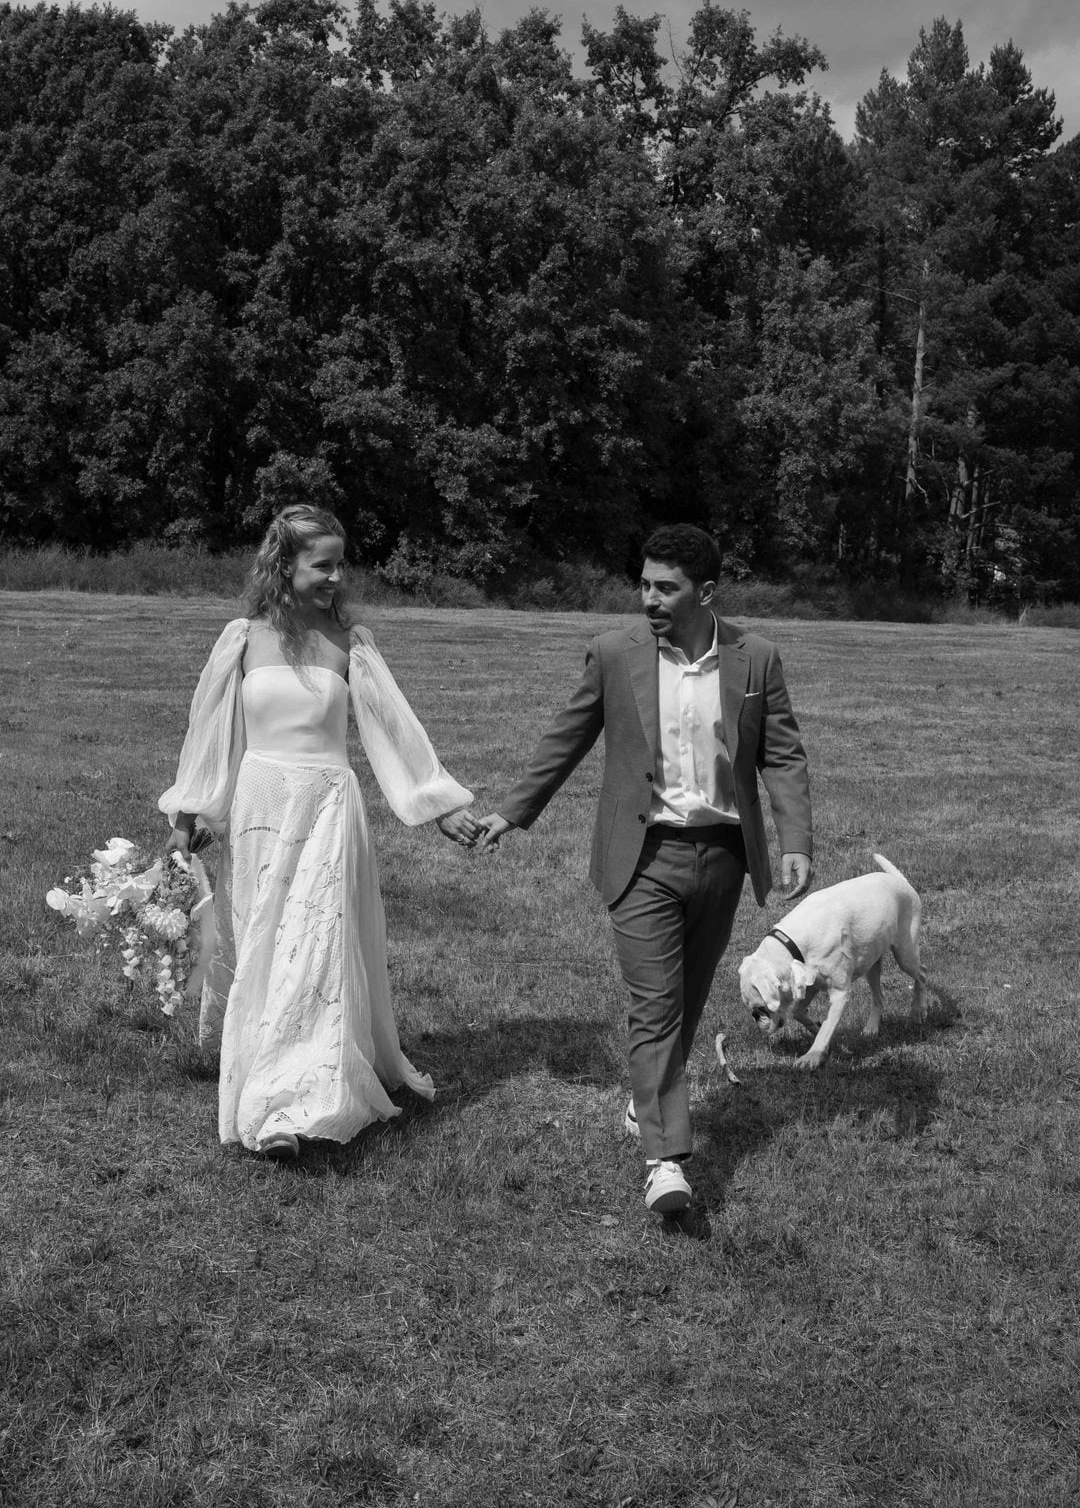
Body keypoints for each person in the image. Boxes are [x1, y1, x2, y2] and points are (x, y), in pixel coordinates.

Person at [477, 524, 812, 1216]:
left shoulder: (756, 659)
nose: (649, 598)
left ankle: (647, 1098)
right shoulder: (613, 654)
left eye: (667, 587)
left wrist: (795, 840)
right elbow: (566, 737)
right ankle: (667, 1160)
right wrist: (513, 810)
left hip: (722, 853)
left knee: (685, 1000)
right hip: (643, 856)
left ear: (707, 592)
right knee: (655, 1005)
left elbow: (782, 754)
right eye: (645, 584)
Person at [159, 503, 479, 1159]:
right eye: (322, 565)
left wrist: (439, 803)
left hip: (330, 807)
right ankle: (267, 1066)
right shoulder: (241, 640)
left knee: (316, 946)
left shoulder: (349, 644)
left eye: (340, 564)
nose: (336, 577)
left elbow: (395, 730)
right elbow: (210, 736)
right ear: (285, 565)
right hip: (261, 803)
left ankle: (287, 1107)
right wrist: (193, 814)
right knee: (266, 943)